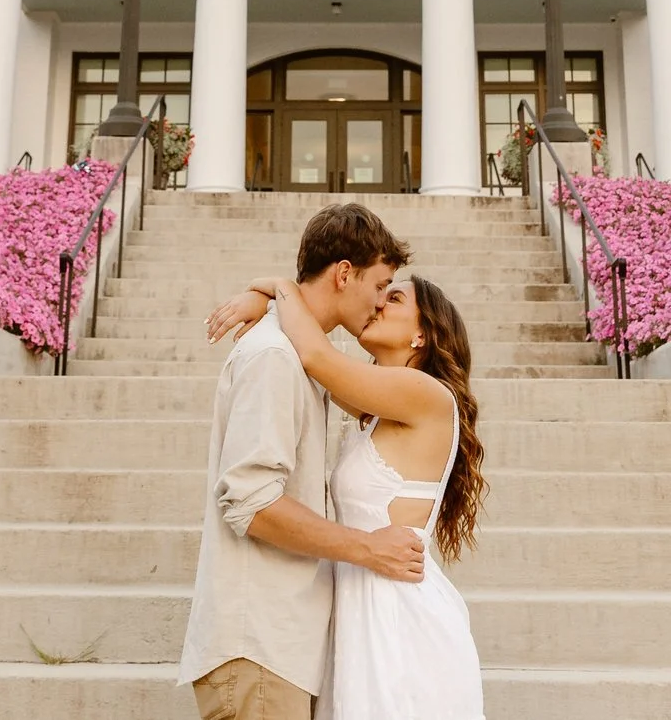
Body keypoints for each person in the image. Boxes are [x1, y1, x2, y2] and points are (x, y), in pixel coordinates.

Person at [206, 270, 487, 720]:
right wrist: (269, 308)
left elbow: (316, 356)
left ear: (422, 334)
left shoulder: (424, 392)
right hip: (360, 601)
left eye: (394, 299)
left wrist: (277, 288)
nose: (378, 305)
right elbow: (310, 353)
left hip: (396, 612)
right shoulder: (378, 407)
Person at [178, 202, 421, 720]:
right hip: (259, 646)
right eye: (380, 286)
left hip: (280, 647)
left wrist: (269, 290)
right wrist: (368, 549)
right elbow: (251, 503)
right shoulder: (274, 357)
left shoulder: (301, 354)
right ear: (344, 274)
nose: (381, 304)